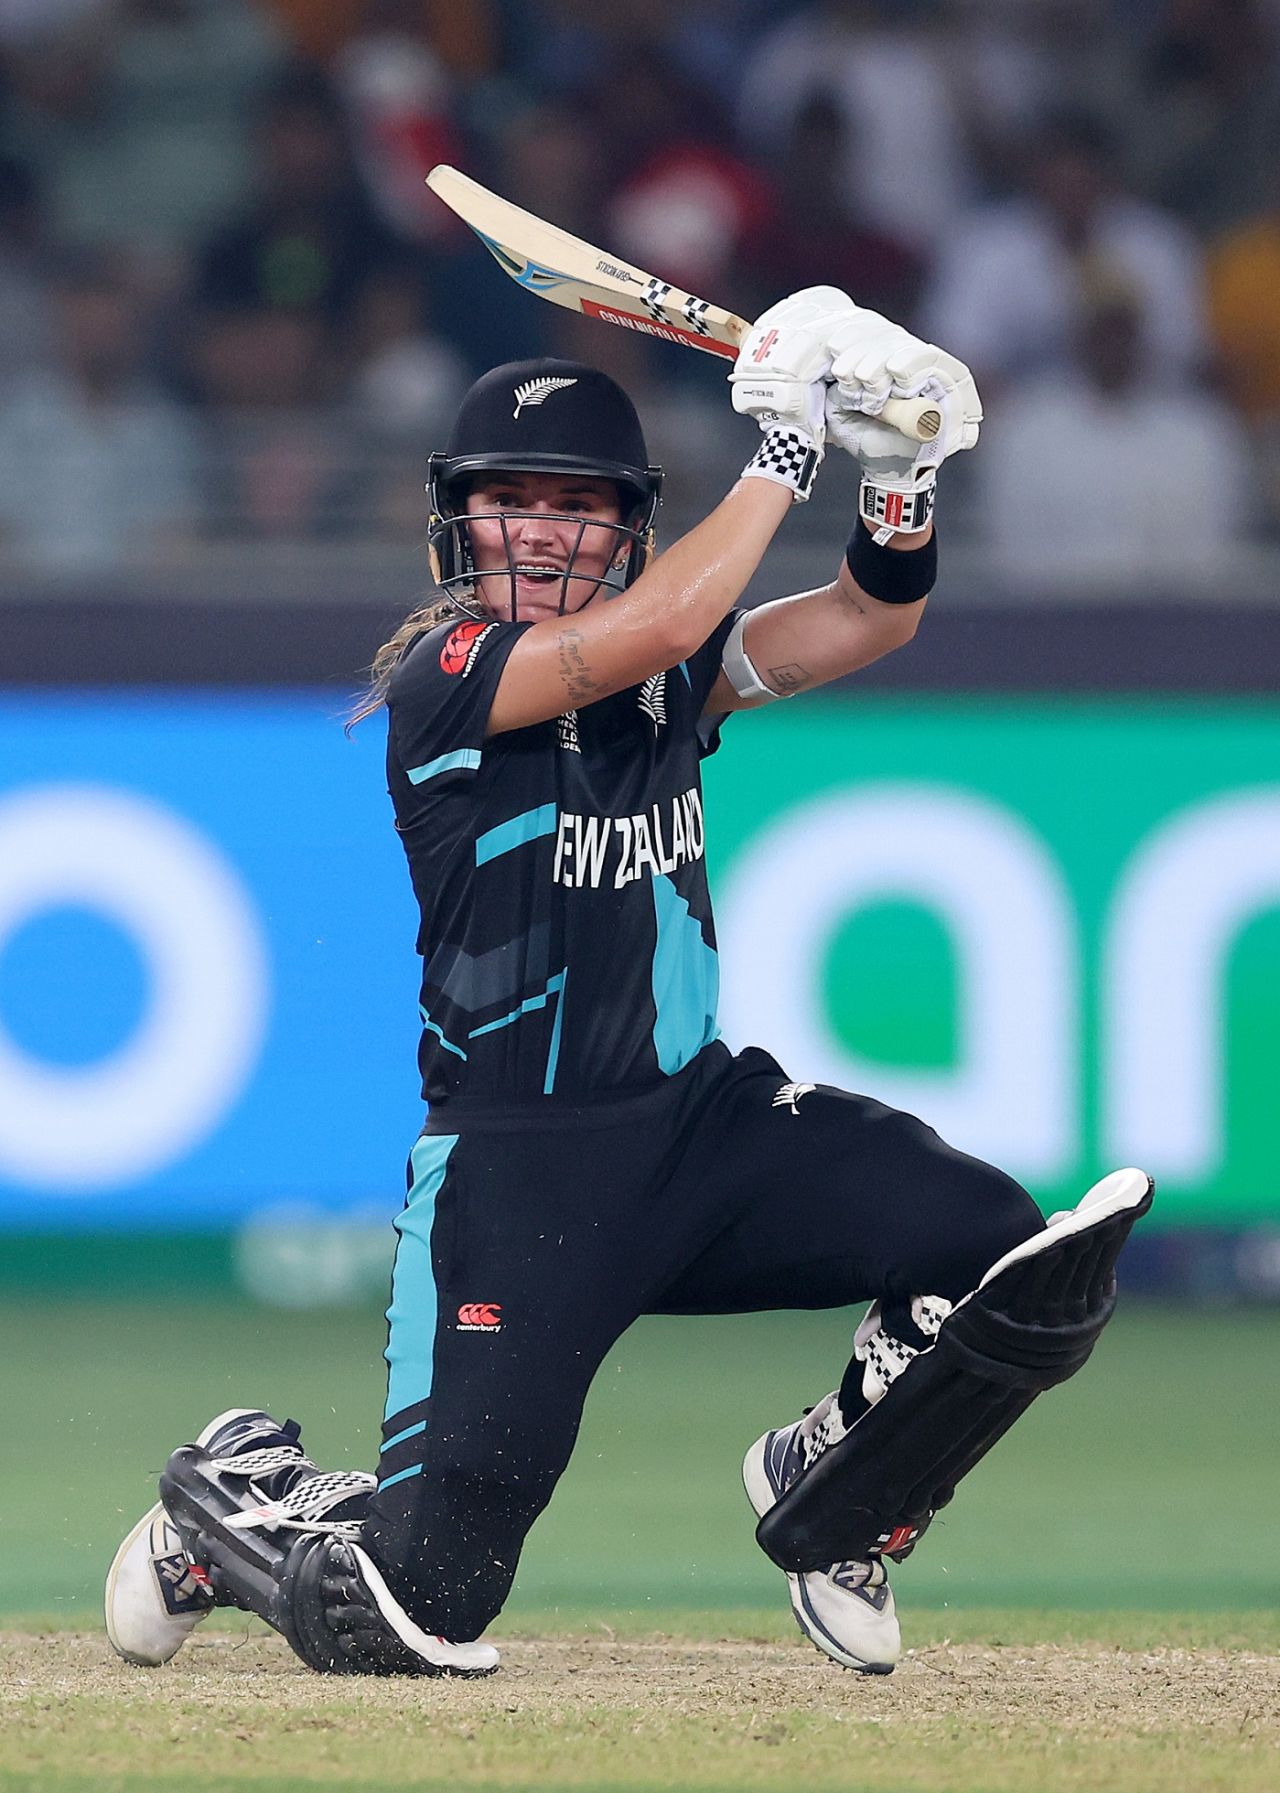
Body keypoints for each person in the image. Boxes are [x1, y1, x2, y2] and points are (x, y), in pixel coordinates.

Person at [104, 289, 1151, 1679]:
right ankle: (229, 1497)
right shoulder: (450, 676)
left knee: (995, 1248)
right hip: (513, 1179)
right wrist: (786, 449)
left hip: (699, 1132)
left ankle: (837, 1486)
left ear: (626, 523)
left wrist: (901, 476)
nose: (537, 529)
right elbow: (651, 630)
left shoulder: (676, 675)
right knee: (421, 1600)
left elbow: (866, 619)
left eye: (574, 504)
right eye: (507, 502)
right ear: (457, 522)